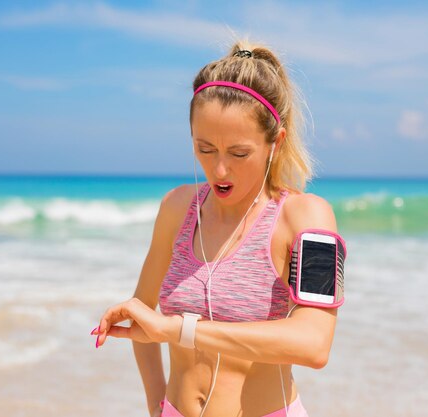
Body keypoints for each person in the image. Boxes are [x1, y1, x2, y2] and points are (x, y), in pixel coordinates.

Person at [91, 40, 339, 417]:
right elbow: (142, 316)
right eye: (205, 149)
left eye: (239, 154)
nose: (219, 170)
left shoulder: (308, 219)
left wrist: (177, 330)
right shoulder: (176, 208)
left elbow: (314, 344)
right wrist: (156, 405)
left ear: (276, 142)